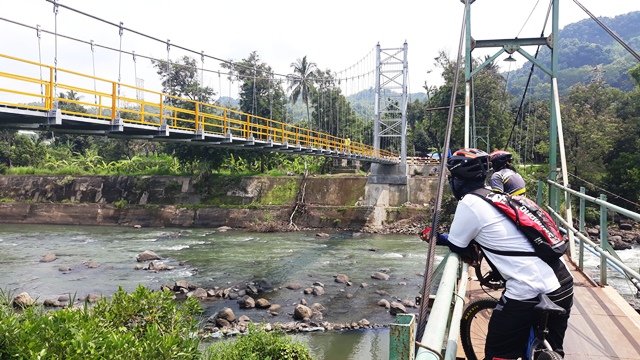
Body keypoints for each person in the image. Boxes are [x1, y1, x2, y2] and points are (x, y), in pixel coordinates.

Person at [421, 148, 573, 360]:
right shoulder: (498, 197)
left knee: (498, 354)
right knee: (551, 352)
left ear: (457, 180)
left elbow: (457, 244)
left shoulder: (469, 203)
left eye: (451, 178)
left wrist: (433, 235)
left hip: (529, 287)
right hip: (563, 281)